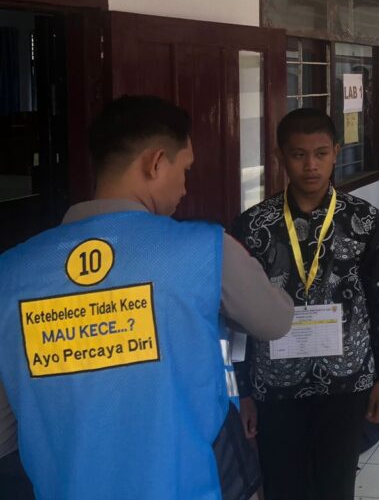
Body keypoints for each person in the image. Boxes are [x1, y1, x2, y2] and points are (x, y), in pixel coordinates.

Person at [0, 95, 294, 500]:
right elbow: (275, 320)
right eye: (185, 170)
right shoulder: (205, 250)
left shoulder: (11, 272)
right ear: (155, 163)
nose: (185, 188)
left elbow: (5, 432)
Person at [231, 109, 379, 500]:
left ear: (336, 153)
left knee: (336, 484)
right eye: (298, 154)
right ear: (280, 157)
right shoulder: (253, 226)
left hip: (347, 380)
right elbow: (237, 316)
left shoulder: (363, 220)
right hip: (275, 384)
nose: (310, 165)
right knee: (282, 486)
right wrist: (242, 390)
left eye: (321, 153)